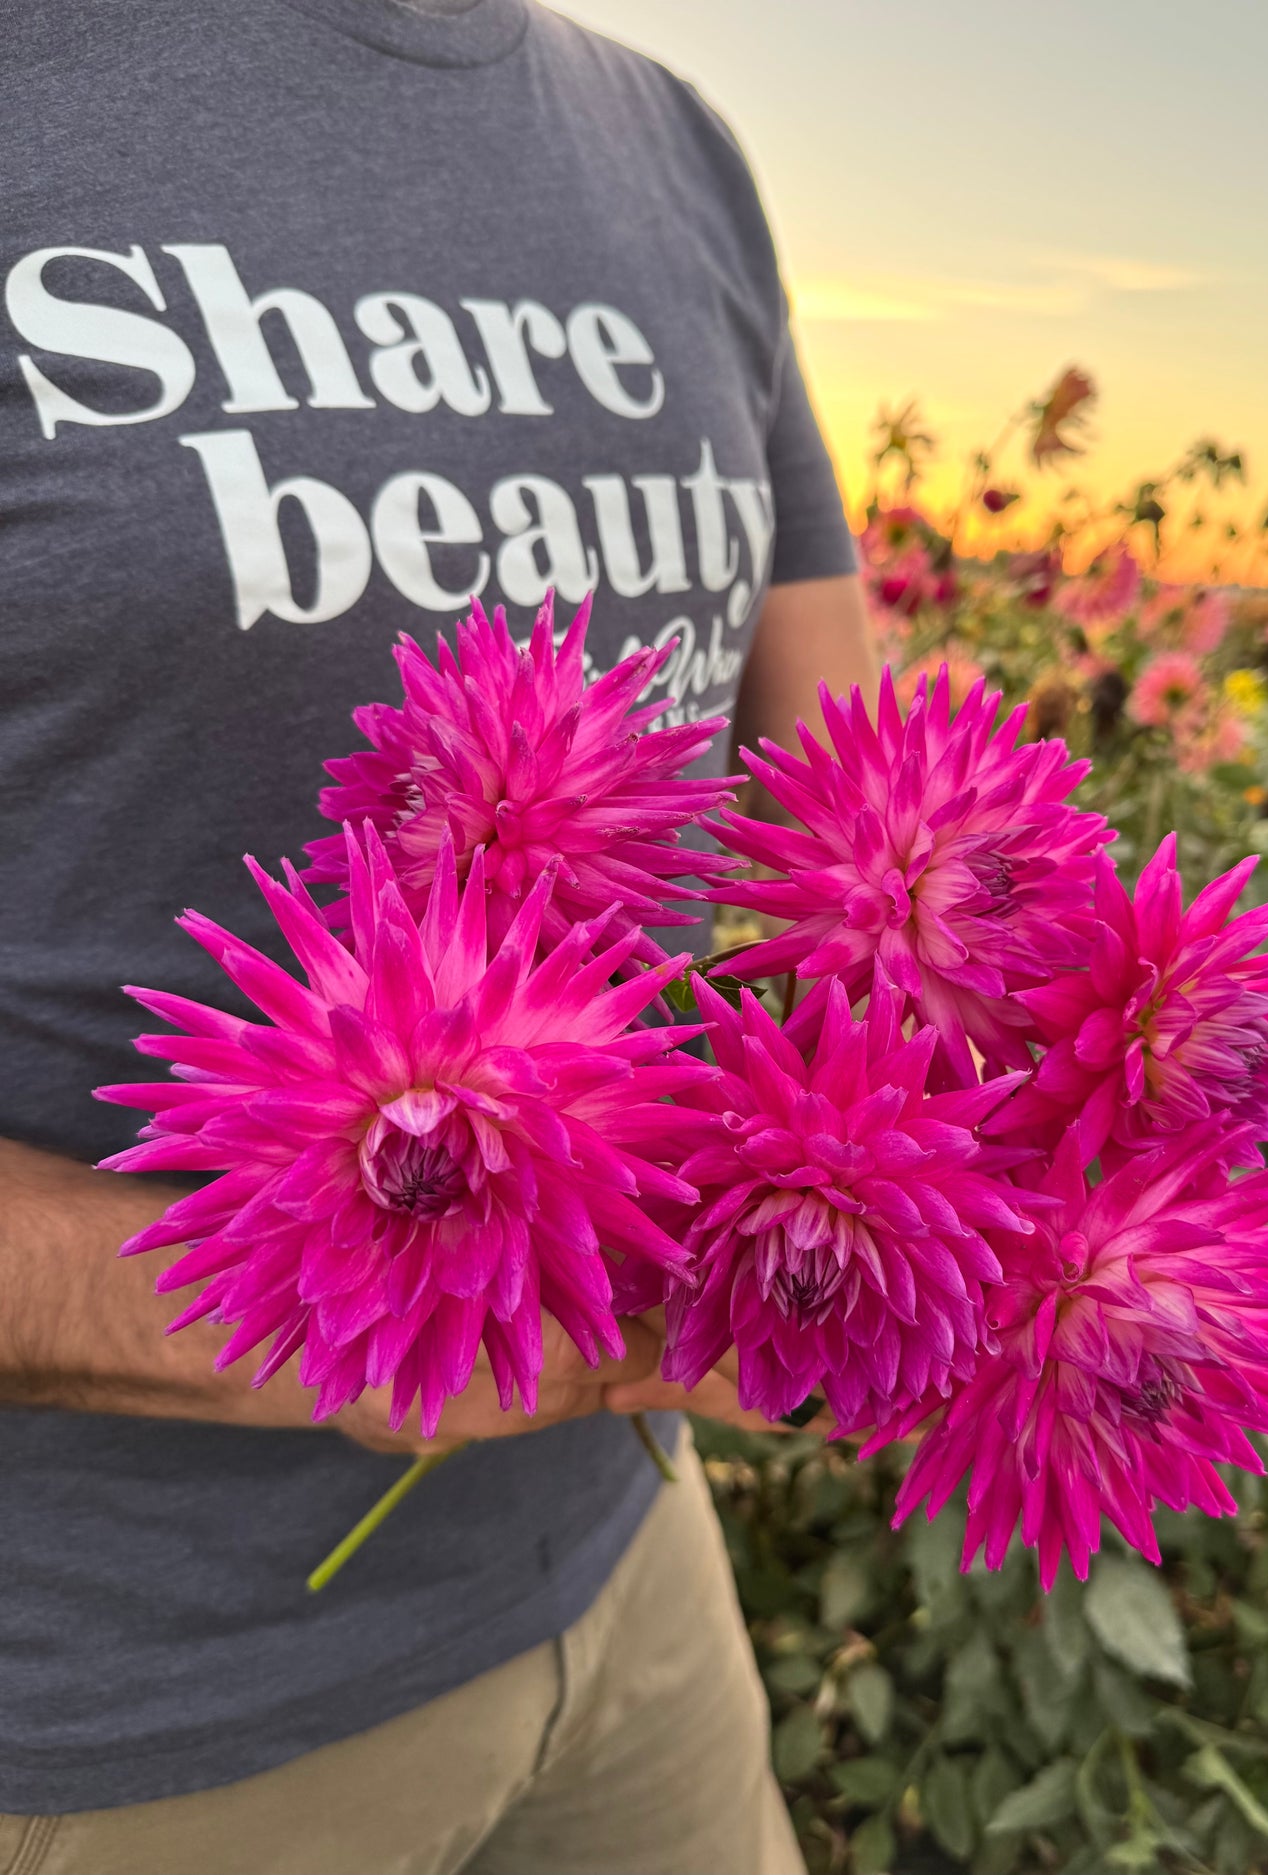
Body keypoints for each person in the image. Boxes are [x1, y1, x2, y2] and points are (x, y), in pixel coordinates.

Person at [0, 2, 876, 1869]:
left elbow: (855, 809)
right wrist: (311, 1330)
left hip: (631, 1573)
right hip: (129, 1730)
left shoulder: (681, 149)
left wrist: (920, 1190)